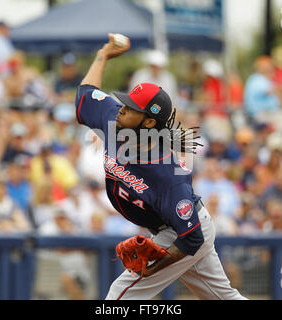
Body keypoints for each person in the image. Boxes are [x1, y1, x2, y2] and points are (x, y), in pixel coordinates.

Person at [74, 33, 246, 300]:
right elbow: (84, 96)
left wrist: (153, 265)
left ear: (150, 123)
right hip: (173, 228)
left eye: (131, 108)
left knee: (120, 295)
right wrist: (103, 54)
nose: (121, 109)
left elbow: (192, 239)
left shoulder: (168, 174)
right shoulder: (114, 121)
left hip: (183, 231)